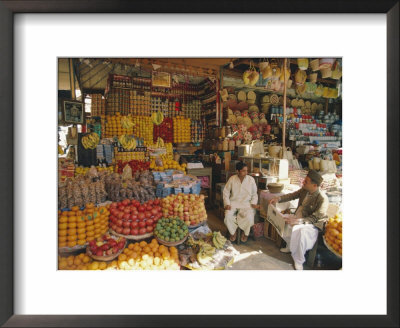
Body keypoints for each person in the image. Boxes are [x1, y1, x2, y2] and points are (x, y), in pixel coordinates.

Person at [269, 170, 329, 270]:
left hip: (311, 224)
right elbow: (292, 195)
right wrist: (278, 199)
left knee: (300, 231)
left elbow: (315, 218)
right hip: (298, 217)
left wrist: (299, 221)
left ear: (314, 185)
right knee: (281, 220)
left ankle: (298, 260)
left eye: (306, 182)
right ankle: (290, 245)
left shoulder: (322, 198)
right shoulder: (304, 190)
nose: (303, 183)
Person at [223, 162, 259, 243]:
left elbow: (254, 194)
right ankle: (233, 232)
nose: (246, 173)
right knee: (227, 216)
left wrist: (253, 203)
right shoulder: (232, 179)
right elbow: (226, 192)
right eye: (243, 171)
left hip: (246, 204)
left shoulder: (251, 180)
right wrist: (227, 204)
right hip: (233, 203)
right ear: (237, 171)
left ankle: (245, 233)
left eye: (247, 171)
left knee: (249, 217)